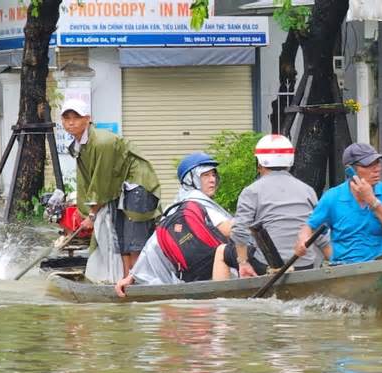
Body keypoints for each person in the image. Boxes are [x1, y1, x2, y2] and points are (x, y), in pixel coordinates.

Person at [61, 98, 161, 283]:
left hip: (136, 184)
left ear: (88, 119)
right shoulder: (78, 146)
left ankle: (139, 282)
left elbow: (102, 180)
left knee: (133, 240)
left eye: (76, 117)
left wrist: (91, 215)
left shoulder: (101, 142)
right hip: (118, 188)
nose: (71, 122)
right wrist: (83, 211)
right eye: (66, 118)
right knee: (119, 237)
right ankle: (122, 280)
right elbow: (86, 181)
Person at [114, 152, 233, 297]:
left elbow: (152, 245)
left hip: (189, 277)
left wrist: (132, 276)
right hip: (211, 272)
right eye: (205, 175)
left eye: (213, 175)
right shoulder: (197, 203)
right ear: (191, 179)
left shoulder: (176, 205)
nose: (212, 180)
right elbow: (231, 230)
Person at [226, 134, 331, 278]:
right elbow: (320, 231)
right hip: (305, 265)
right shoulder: (307, 190)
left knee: (223, 251)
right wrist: (334, 262)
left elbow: (239, 231)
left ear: (259, 163)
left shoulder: (251, 191)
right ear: (290, 162)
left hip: (268, 266)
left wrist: (243, 263)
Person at [295, 143, 382, 263]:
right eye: (368, 165)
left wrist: (372, 201)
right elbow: (310, 226)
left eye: (378, 163)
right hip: (345, 270)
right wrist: (303, 239)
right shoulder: (332, 197)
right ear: (350, 170)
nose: (377, 169)